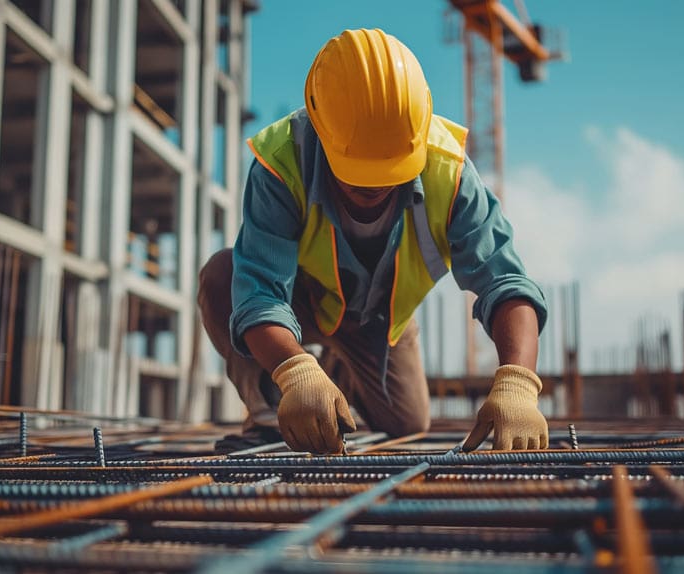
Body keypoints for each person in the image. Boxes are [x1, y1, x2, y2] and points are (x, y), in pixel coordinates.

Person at [198, 28, 548, 455]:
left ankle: (337, 373)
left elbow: (505, 281)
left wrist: (517, 382)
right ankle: (270, 411)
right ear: (321, 130)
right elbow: (258, 294)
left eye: (388, 173)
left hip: (378, 318)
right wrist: (294, 373)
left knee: (407, 425)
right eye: (357, 172)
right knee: (222, 276)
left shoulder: (449, 172)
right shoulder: (283, 163)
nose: (373, 188)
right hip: (300, 302)